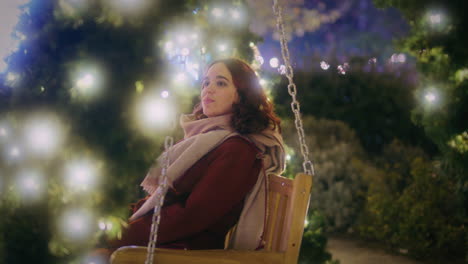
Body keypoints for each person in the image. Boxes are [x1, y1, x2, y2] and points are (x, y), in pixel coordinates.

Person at [100, 58, 285, 260]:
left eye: (221, 83)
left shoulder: (238, 151)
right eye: (206, 83)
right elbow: (165, 200)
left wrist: (117, 236)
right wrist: (115, 222)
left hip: (185, 252)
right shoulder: (207, 140)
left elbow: (190, 217)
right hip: (167, 239)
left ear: (241, 95)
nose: (208, 89)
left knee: (93, 254)